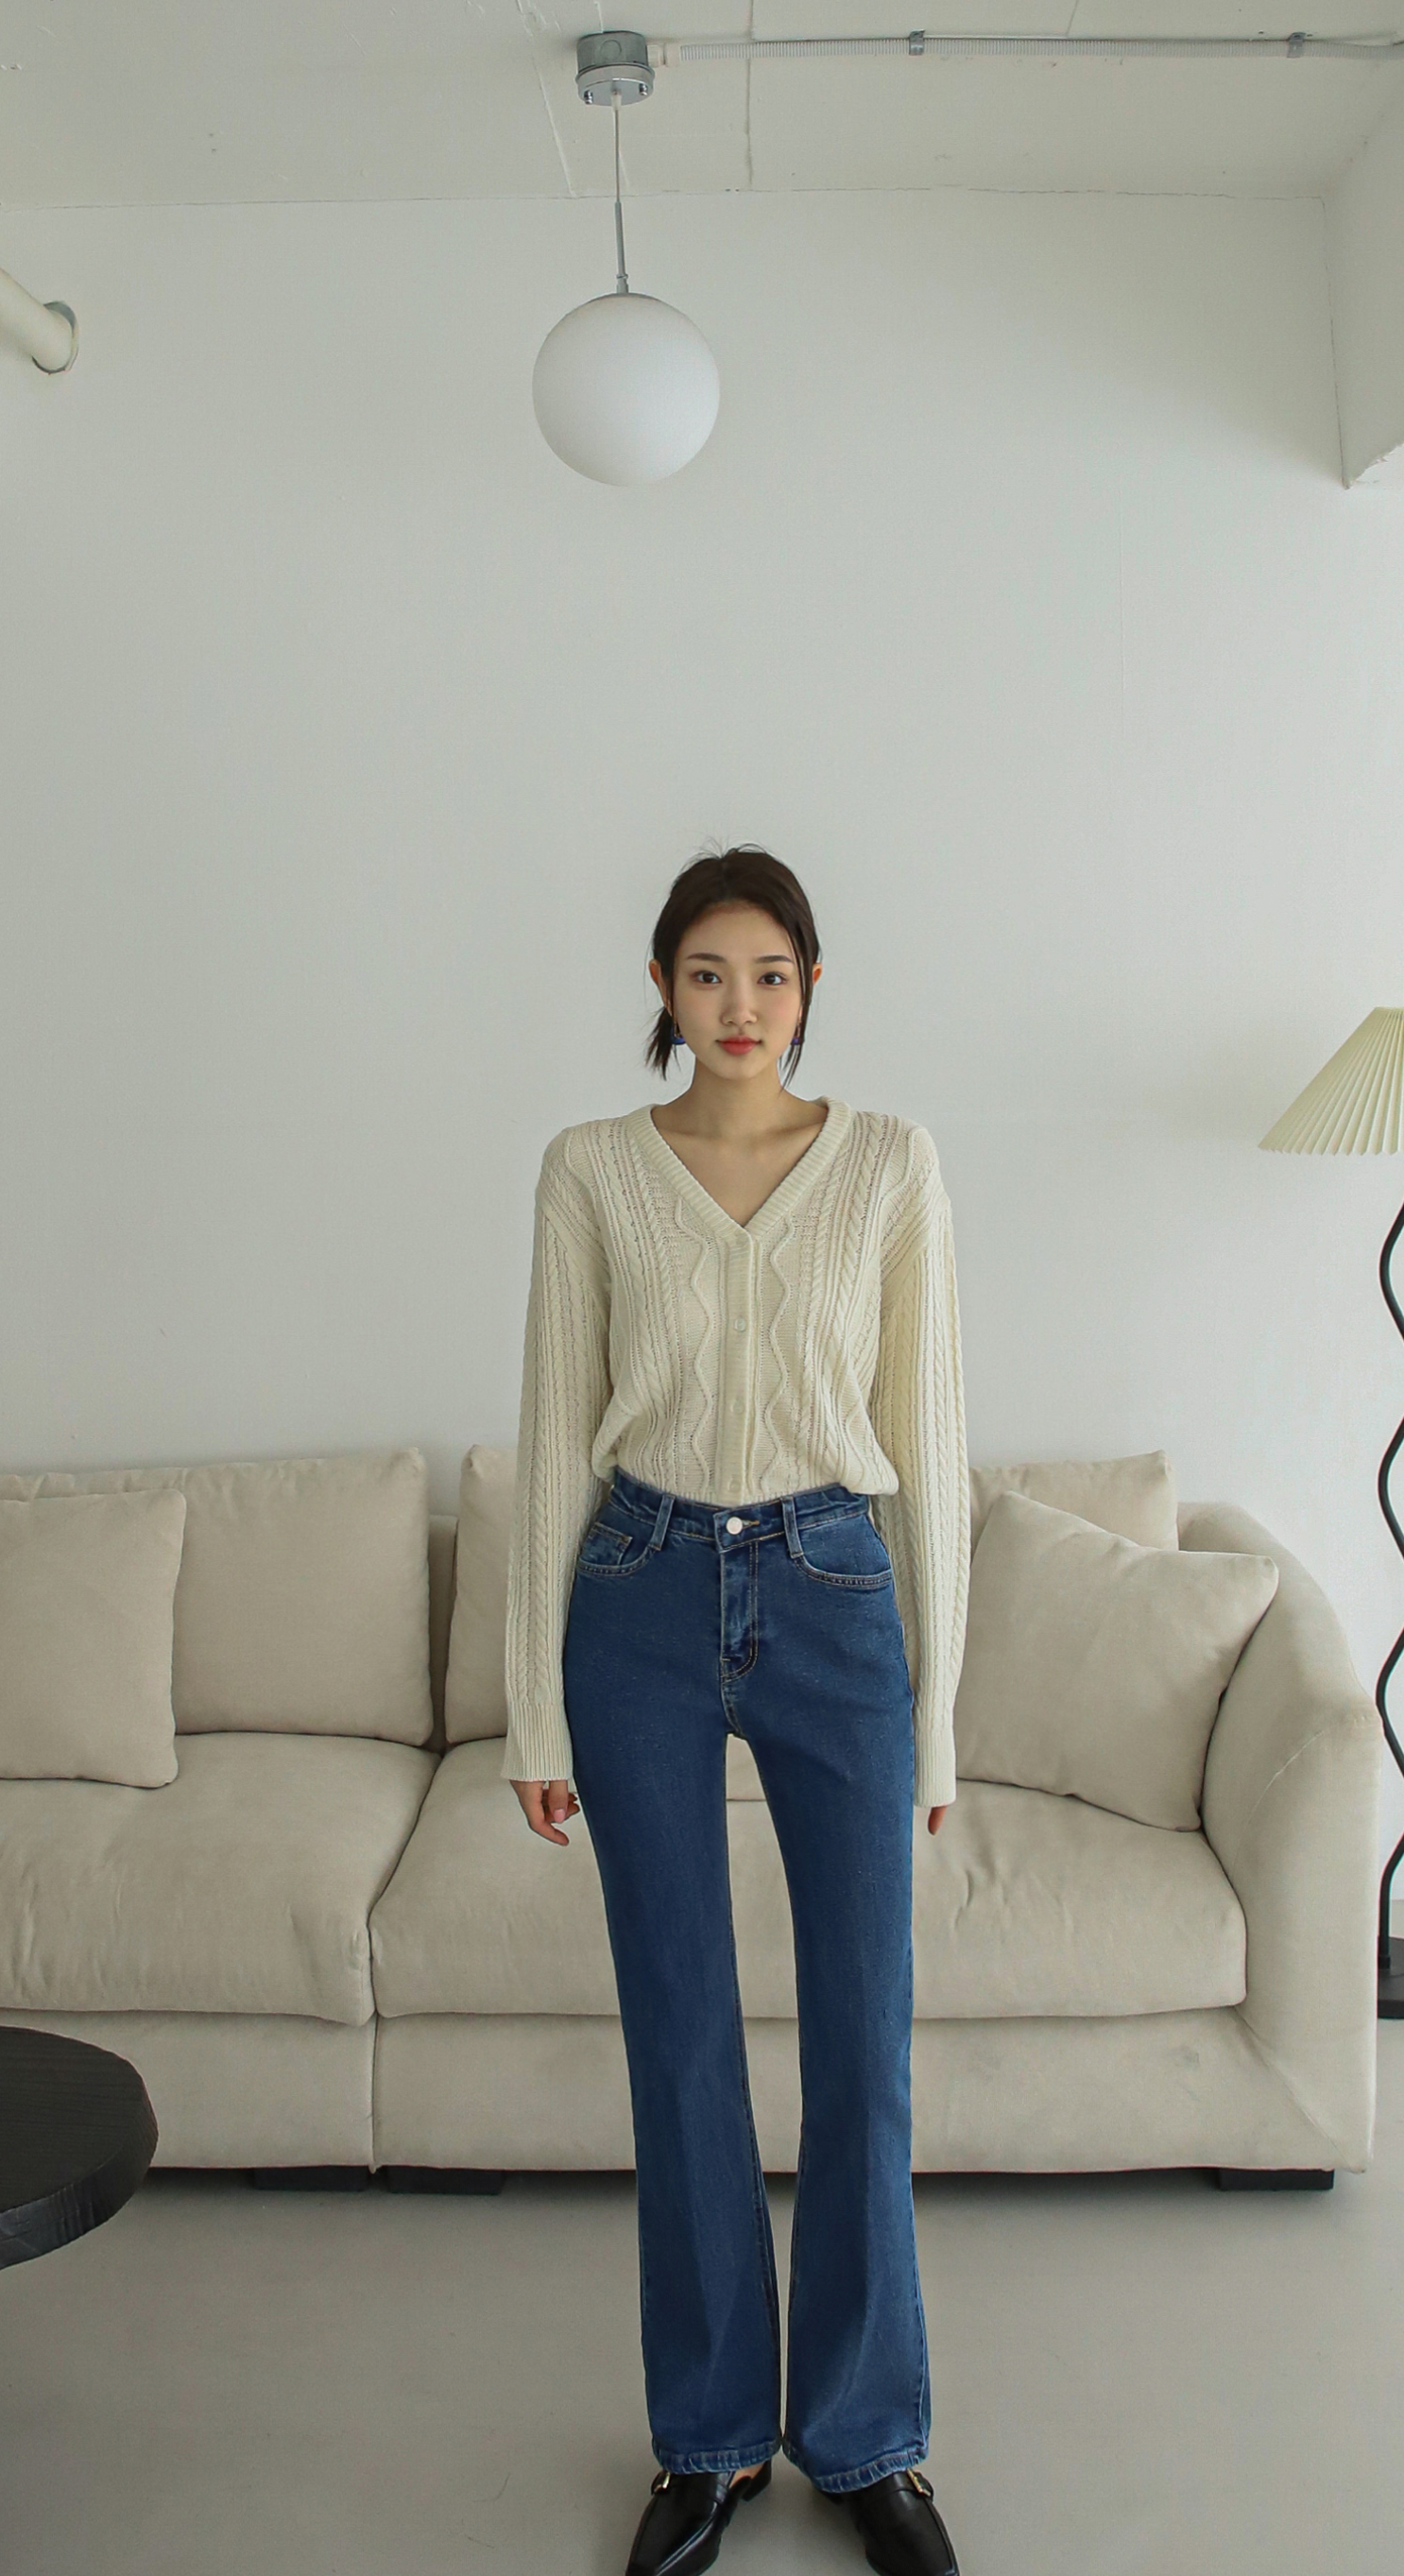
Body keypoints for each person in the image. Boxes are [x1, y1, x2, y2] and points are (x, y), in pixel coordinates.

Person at [503, 845, 969, 2576]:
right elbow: (554, 1431)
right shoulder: (590, 1174)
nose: (739, 1009)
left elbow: (929, 1439)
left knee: (863, 2040)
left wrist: (937, 1718)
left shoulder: (891, 1168)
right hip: (633, 1594)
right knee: (681, 2039)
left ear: (811, 987)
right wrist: (526, 1719)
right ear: (661, 991)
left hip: (835, 1591)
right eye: (706, 975)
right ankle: (705, 2442)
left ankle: (865, 2441)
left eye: (768, 975)